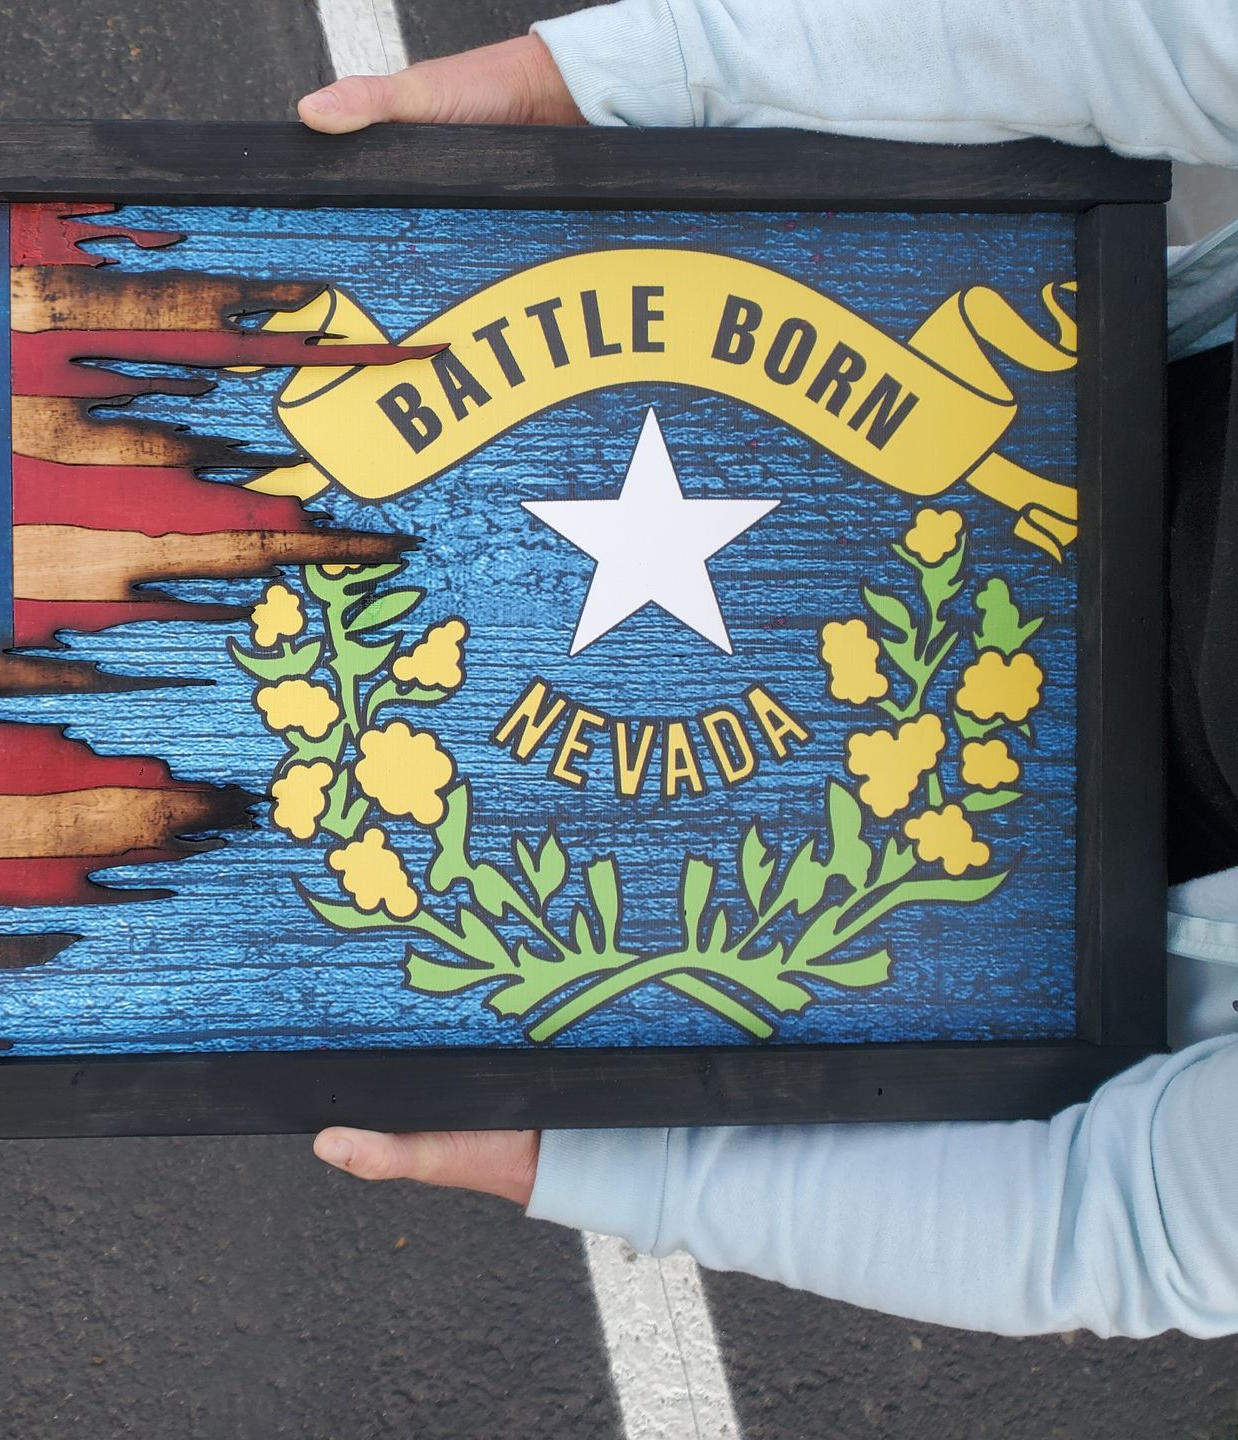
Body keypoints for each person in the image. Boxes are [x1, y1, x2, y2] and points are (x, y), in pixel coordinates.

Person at [296, 0, 1238, 1340]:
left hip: (971, 907)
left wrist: (609, 1162)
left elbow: (1115, 1219)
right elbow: (1128, 41)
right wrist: (614, 79)